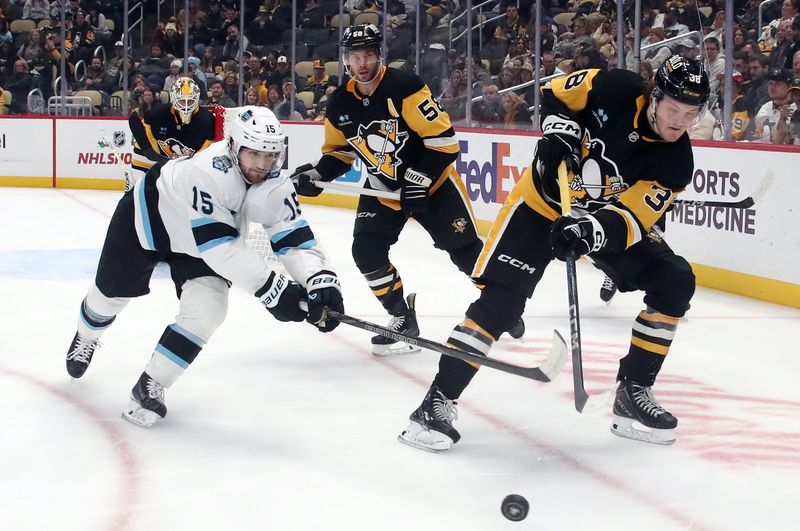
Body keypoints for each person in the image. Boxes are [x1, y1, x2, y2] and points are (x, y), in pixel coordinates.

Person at [398, 55, 710, 451]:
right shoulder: (613, 87)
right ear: (654, 97)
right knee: (501, 304)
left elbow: (631, 219)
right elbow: (554, 93)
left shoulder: (677, 161)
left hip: (595, 222)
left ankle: (633, 391)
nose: (680, 121)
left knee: (674, 280)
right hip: (539, 206)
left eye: (690, 113)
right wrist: (560, 132)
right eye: (673, 109)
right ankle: (436, 403)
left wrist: (588, 230)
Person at [65, 106, 344, 427]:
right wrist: (272, 288)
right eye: (254, 154)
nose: (263, 165)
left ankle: (150, 383)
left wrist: (319, 280)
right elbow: (220, 247)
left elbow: (294, 238)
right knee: (107, 298)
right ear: (233, 146)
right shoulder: (208, 171)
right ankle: (86, 336)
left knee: (209, 308)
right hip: (148, 219)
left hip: (201, 241)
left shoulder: (274, 183)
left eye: (270, 156)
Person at [291, 24, 524, 355]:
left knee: (464, 251)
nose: (362, 64)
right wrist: (317, 173)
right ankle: (402, 316)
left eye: (368, 55)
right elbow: (340, 153)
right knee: (366, 252)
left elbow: (444, 142)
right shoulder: (341, 102)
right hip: (382, 188)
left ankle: (503, 303)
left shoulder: (405, 86)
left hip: (435, 185)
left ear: (379, 56)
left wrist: (419, 180)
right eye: (355, 57)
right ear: (346, 60)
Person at [127, 77, 216, 190]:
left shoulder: (207, 120)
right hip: (146, 162)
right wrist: (151, 153)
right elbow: (138, 129)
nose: (186, 106)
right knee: (134, 198)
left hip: (181, 167)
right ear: (174, 98)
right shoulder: (156, 114)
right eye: (182, 100)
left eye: (191, 101)